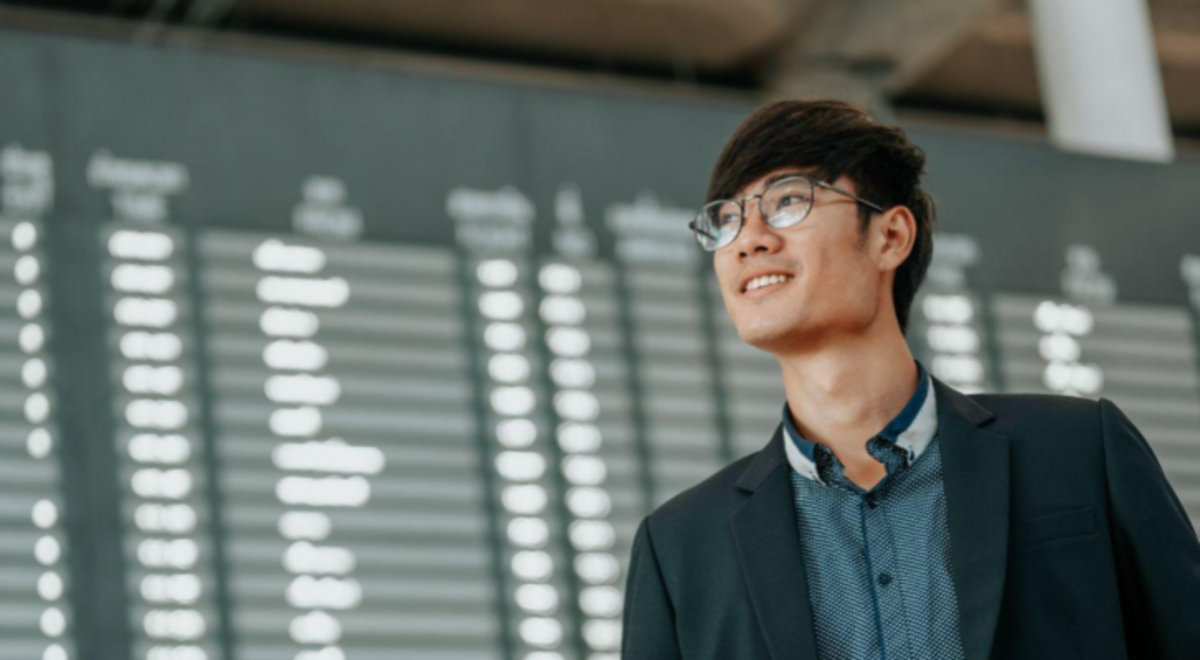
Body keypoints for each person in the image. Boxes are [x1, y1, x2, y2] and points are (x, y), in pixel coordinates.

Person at [620, 99, 1200, 660]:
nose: (749, 240)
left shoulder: (1078, 451)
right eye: (726, 220)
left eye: (788, 201)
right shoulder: (680, 551)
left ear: (891, 237)